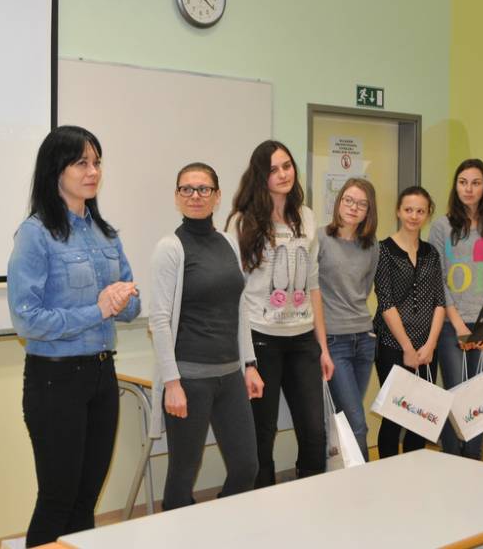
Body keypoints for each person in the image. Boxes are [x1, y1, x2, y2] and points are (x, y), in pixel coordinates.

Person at [7, 125, 140, 547]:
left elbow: (131, 305)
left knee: (86, 500)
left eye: (97, 162)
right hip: (55, 379)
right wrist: (98, 310)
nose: (93, 171)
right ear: (56, 169)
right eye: (82, 162)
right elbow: (27, 320)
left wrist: (122, 301)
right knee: (57, 499)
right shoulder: (35, 233)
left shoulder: (105, 233)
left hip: (102, 375)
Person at [148, 162, 264, 509]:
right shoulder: (170, 247)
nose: (195, 196)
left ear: (217, 196)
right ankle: (176, 531)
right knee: (183, 474)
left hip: (230, 376)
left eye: (203, 189)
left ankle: (219, 528)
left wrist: (250, 365)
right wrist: (172, 383)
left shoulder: (228, 242)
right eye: (187, 189)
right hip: (189, 380)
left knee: (246, 467)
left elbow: (240, 308)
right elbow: (159, 320)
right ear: (177, 196)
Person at [225, 140, 334, 486]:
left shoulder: (307, 216)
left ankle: (311, 498)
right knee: (262, 433)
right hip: (261, 339)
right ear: (261, 176)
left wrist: (323, 347)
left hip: (303, 340)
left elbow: (313, 285)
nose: (283, 174)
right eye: (273, 169)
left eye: (287, 166)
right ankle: (263, 507)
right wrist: (247, 360)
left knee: (314, 431)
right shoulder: (242, 222)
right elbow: (237, 293)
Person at [429, 158, 483, 460]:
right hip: (452, 326)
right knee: (456, 395)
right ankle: (451, 459)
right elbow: (438, 277)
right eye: (463, 182)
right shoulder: (442, 226)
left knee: (479, 401)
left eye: (475, 183)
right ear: (456, 186)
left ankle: (473, 461)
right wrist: (458, 323)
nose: (468, 189)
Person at [372, 186, 447, 458]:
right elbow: (386, 303)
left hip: (427, 347)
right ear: (398, 211)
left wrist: (431, 344)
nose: (414, 216)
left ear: (427, 214)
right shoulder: (383, 250)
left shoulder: (431, 253)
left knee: (420, 418)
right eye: (408, 210)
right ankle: (388, 475)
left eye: (420, 211)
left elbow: (440, 302)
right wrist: (406, 347)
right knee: (394, 416)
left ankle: (415, 474)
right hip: (393, 345)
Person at [317, 178, 380, 462]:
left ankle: (340, 479)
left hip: (364, 340)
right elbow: (312, 292)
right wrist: (322, 346)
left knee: (345, 418)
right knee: (357, 424)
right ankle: (363, 482)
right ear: (339, 202)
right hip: (334, 341)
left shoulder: (371, 245)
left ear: (369, 211)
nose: (353, 208)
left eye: (361, 204)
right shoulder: (320, 239)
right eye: (348, 200)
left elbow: (364, 289)